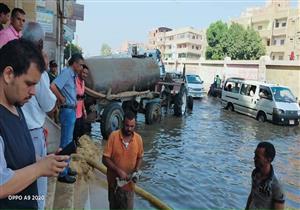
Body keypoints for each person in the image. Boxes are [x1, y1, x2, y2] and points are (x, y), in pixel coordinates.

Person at [0, 39, 68, 209]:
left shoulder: (16, 105)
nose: (33, 92)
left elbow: (16, 156)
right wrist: (39, 169)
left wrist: (46, 161)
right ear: (9, 74)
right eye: (29, 84)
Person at [21, 22, 57, 210]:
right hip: (32, 134)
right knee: (37, 187)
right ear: (40, 43)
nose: (29, 92)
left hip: (16, 128)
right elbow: (49, 104)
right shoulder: (37, 67)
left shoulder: (12, 57)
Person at [50, 53, 84, 183]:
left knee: (68, 142)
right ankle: (62, 174)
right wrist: (61, 98)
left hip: (71, 110)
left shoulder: (73, 75)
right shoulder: (66, 73)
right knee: (65, 143)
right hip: (67, 111)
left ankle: (66, 167)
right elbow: (53, 86)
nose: (81, 67)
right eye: (80, 65)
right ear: (74, 63)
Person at [102, 111, 144, 210]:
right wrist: (118, 171)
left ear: (135, 125)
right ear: (122, 123)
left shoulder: (138, 139)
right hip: (114, 186)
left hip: (129, 188)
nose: (129, 129)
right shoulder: (113, 136)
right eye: (127, 125)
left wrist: (137, 170)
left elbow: (140, 157)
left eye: (132, 126)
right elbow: (104, 159)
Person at [245, 142, 285, 210]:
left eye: (258, 157)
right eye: (255, 155)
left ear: (268, 159)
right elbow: (252, 194)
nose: (254, 158)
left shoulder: (276, 185)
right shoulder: (255, 173)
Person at [73, 64, 89, 145]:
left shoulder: (83, 82)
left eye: (86, 74)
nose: (85, 75)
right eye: (83, 73)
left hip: (80, 113)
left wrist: (84, 110)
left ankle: (78, 151)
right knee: (74, 135)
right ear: (80, 72)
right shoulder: (74, 81)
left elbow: (82, 99)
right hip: (73, 113)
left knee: (81, 132)